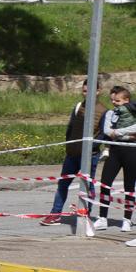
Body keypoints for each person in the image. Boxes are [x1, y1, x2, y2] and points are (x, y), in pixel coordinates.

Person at [40, 85, 101, 226]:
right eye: (85, 90)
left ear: (98, 91)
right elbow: (70, 127)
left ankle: (86, 213)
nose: (87, 93)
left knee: (88, 186)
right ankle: (55, 214)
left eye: (90, 90)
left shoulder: (103, 110)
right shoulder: (78, 106)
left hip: (90, 155)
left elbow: (103, 134)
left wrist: (91, 147)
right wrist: (69, 145)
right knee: (63, 183)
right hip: (72, 154)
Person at [93, 85, 136, 232]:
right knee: (105, 183)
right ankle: (102, 218)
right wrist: (126, 134)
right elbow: (106, 131)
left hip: (131, 151)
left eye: (117, 100)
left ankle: (127, 220)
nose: (114, 103)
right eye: (112, 100)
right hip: (115, 151)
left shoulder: (133, 112)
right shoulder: (111, 113)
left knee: (129, 187)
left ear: (126, 100)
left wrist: (118, 132)